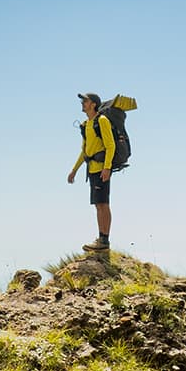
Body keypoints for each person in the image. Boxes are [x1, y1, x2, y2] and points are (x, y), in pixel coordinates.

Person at [67, 92, 115, 257]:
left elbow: (110, 145)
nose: (83, 103)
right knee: (98, 205)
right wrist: (74, 170)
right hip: (92, 169)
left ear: (93, 104)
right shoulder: (86, 124)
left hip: (102, 168)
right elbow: (84, 151)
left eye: (85, 101)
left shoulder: (102, 121)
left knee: (103, 204)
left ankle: (104, 240)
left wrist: (107, 167)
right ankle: (101, 240)